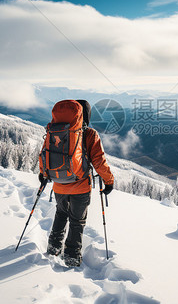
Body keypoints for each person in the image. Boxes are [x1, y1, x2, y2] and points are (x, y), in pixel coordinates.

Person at [38, 99, 114, 267]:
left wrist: (43, 174)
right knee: (77, 221)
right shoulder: (89, 134)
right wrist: (109, 182)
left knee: (61, 214)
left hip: (59, 183)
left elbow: (45, 153)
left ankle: (54, 246)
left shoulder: (54, 131)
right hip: (80, 186)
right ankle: (72, 256)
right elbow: (99, 162)